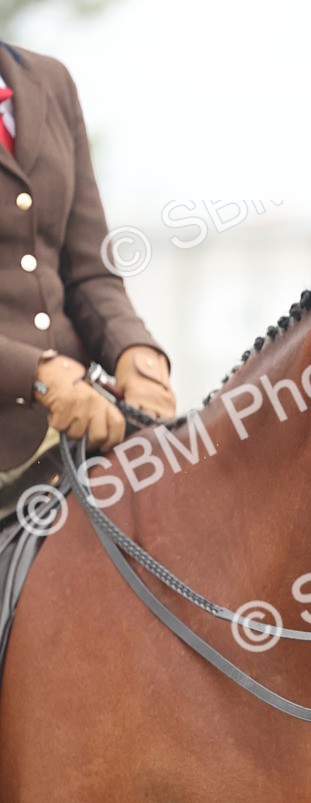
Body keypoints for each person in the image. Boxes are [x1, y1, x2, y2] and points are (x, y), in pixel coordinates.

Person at [0, 40, 174, 516]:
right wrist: (36, 374)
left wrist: (135, 355)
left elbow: (89, 271)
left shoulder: (48, 81)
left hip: (82, 423)